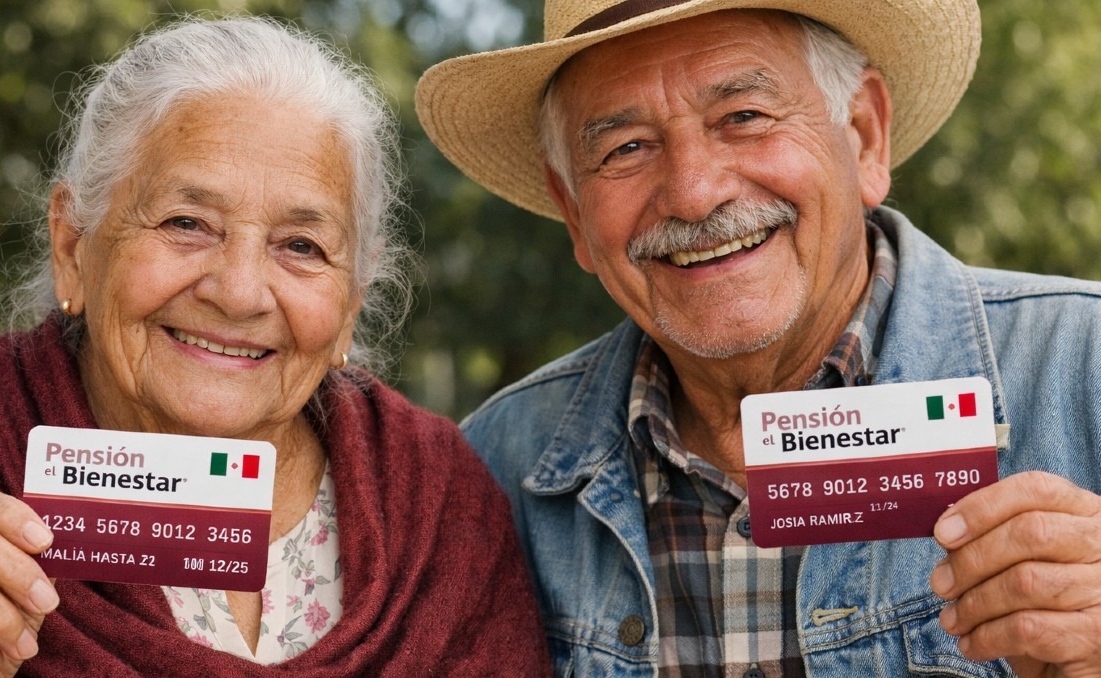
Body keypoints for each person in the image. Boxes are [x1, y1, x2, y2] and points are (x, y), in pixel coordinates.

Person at [416, 0, 1101, 675]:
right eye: (625, 148)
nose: (693, 192)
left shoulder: (1085, 366)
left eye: (744, 117)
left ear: (864, 134)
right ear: (573, 212)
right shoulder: (487, 477)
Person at [0, 16, 551, 676]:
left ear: (351, 302)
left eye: (301, 246)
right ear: (73, 247)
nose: (240, 293)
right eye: (187, 224)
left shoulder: (440, 505)